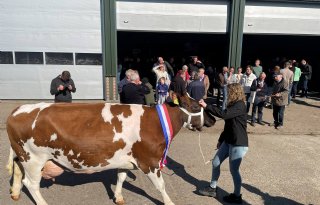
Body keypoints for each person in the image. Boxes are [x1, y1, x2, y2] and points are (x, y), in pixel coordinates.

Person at [198, 83, 248, 204]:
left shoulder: (240, 105)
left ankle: (237, 196)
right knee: (215, 162)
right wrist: (221, 140)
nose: (227, 94)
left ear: (234, 92)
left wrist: (206, 106)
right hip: (228, 140)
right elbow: (228, 126)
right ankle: (212, 188)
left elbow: (223, 114)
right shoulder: (232, 105)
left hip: (238, 143)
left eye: (228, 91)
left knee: (234, 170)